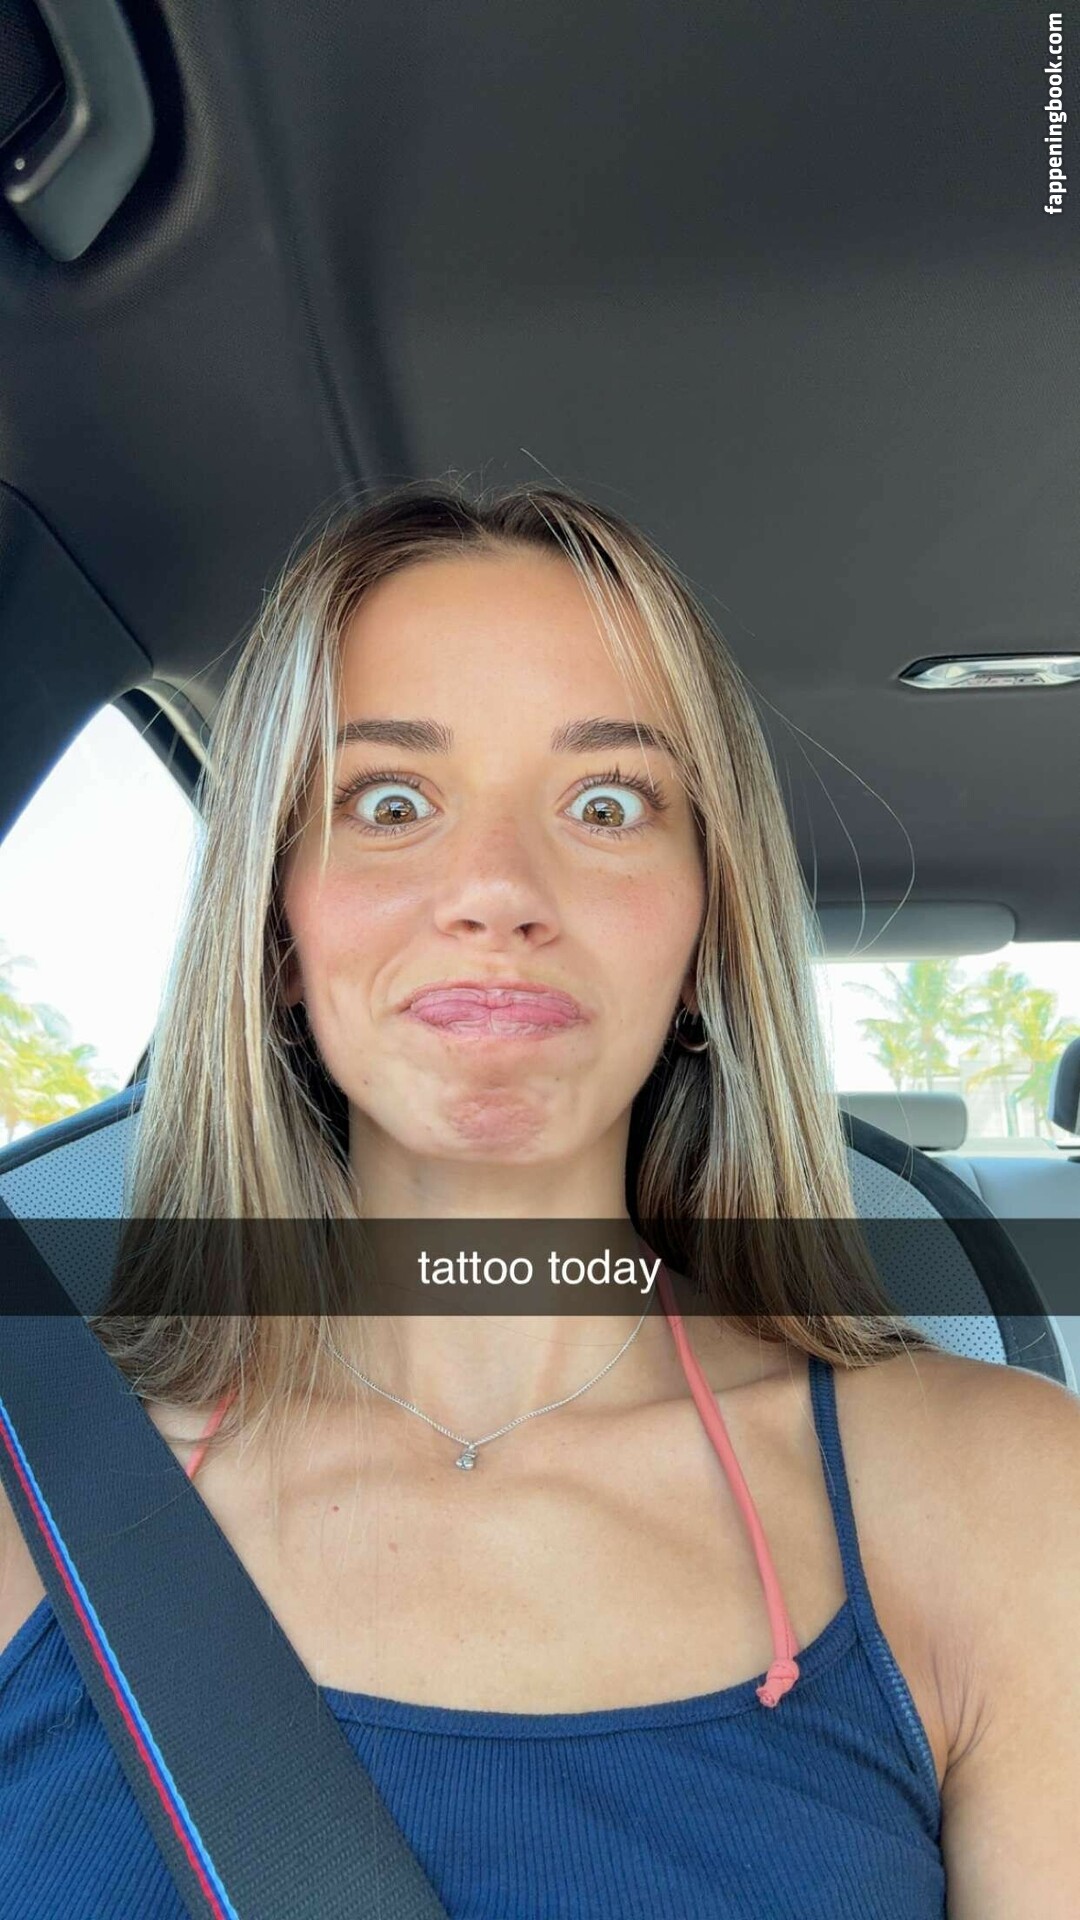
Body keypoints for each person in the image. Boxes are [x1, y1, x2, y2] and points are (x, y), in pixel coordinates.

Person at [1, 480, 1078, 1917]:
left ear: (706, 931)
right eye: (390, 803)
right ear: (274, 925)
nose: (498, 889)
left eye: (606, 803)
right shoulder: (30, 1493)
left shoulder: (1004, 1501)